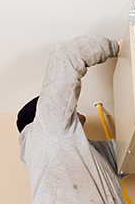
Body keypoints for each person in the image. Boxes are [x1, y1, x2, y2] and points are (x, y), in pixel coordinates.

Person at [16, 36, 126, 204]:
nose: (71, 106)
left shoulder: (87, 154)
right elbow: (66, 56)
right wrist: (118, 48)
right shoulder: (46, 126)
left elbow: (133, 153)